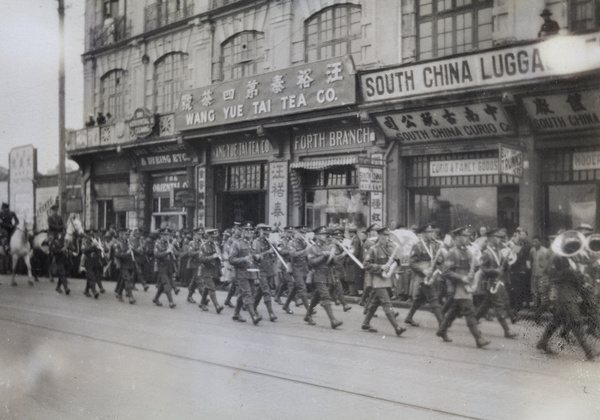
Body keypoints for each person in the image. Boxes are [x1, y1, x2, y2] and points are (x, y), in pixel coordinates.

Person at [436, 226, 491, 348]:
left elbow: (476, 266)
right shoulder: (453, 252)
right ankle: (478, 339)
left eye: (468, 236)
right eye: (464, 236)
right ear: (457, 238)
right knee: (469, 311)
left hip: (466, 286)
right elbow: (446, 272)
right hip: (459, 286)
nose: (467, 238)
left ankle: (442, 330)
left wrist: (479, 266)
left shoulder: (468, 251)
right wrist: (461, 278)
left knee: (454, 310)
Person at [536, 251, 596, 361]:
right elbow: (579, 280)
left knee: (555, 323)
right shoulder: (569, 271)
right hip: (569, 301)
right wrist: (581, 272)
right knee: (576, 325)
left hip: (562, 300)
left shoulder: (561, 269)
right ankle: (589, 352)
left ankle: (542, 343)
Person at [361, 225, 407, 337]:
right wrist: (380, 267)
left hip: (386, 279)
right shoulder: (374, 249)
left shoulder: (389, 248)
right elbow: (365, 264)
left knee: (376, 302)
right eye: (386, 235)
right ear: (380, 236)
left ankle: (366, 323)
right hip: (377, 279)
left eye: (388, 235)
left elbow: (396, 261)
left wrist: (397, 259)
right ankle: (397, 327)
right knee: (386, 302)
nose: (388, 238)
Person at [474, 229, 517, 339]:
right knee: (499, 305)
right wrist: (495, 271)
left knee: (486, 305)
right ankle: (507, 330)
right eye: (497, 237)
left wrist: (508, 261)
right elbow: (482, 269)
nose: (499, 239)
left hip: (498, 282)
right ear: (491, 238)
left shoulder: (499, 251)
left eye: (500, 237)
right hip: (490, 283)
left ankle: (473, 322)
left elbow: (504, 266)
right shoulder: (486, 253)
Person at [404, 223, 444, 328]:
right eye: (429, 232)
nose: (432, 234)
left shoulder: (435, 245)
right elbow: (412, 263)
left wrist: (440, 259)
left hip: (432, 275)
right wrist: (423, 270)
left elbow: (439, 259)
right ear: (423, 234)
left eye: (432, 232)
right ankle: (442, 323)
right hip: (422, 277)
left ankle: (409, 317)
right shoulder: (418, 246)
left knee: (419, 299)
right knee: (433, 298)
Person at [306, 226, 343, 329]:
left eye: (325, 234)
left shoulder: (328, 247)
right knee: (326, 296)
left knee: (316, 297)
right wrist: (323, 256)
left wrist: (333, 256)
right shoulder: (312, 248)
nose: (325, 236)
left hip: (327, 275)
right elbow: (311, 262)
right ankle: (333, 320)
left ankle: (307, 315)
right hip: (318, 275)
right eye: (322, 234)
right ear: (317, 236)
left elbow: (335, 262)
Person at [229, 222, 263, 325]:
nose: (248, 232)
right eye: (246, 230)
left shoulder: (255, 243)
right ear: (242, 231)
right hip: (241, 272)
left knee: (248, 293)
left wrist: (258, 257)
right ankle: (254, 316)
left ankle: (236, 314)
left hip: (252, 272)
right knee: (247, 294)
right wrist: (243, 259)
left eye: (250, 230)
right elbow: (231, 259)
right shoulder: (237, 243)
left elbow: (259, 256)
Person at [252, 224, 278, 322]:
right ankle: (271, 313)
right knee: (266, 291)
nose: (266, 236)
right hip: (260, 269)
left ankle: (253, 307)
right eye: (264, 233)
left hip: (269, 269)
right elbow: (256, 256)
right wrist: (268, 252)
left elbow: (277, 254)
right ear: (260, 232)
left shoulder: (269, 242)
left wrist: (275, 247)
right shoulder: (256, 242)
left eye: (268, 234)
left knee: (261, 290)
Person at [197, 228, 225, 314]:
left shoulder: (215, 245)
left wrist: (220, 258)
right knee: (212, 287)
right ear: (208, 236)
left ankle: (202, 303)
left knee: (207, 287)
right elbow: (201, 258)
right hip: (206, 269)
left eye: (215, 237)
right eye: (212, 237)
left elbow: (219, 255)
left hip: (213, 269)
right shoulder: (203, 245)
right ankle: (217, 306)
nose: (214, 239)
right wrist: (212, 257)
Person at [529, 235, 551, 323]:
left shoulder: (545, 251)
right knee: (535, 294)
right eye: (533, 241)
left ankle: (538, 316)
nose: (534, 243)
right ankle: (536, 316)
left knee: (543, 295)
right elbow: (531, 261)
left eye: (536, 241)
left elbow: (548, 265)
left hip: (542, 276)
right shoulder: (532, 250)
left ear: (540, 242)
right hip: (534, 275)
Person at [344, 224, 363, 297]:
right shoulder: (354, 239)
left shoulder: (355, 240)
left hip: (352, 261)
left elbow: (354, 252)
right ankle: (352, 291)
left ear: (352, 232)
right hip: (352, 261)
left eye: (349, 232)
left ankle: (353, 292)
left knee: (352, 277)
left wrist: (349, 259)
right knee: (351, 277)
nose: (349, 234)